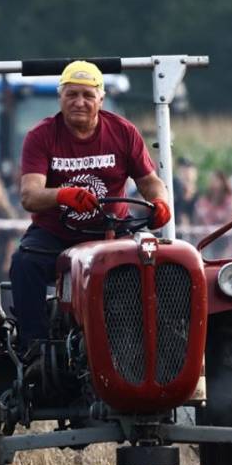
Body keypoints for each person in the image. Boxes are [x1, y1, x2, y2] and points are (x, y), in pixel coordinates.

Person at [10, 60, 171, 355]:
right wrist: (63, 195)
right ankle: (35, 349)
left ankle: (152, 346)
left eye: (87, 95)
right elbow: (30, 195)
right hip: (56, 234)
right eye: (71, 95)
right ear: (61, 98)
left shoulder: (123, 132)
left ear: (100, 98)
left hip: (110, 233)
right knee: (24, 264)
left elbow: (150, 181)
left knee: (159, 267)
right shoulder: (41, 136)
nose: (79, 102)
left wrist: (160, 203)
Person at [172, 156, 200, 228]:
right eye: (183, 167)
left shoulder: (196, 190)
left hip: (190, 227)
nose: (186, 171)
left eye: (188, 168)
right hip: (174, 224)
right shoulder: (174, 184)